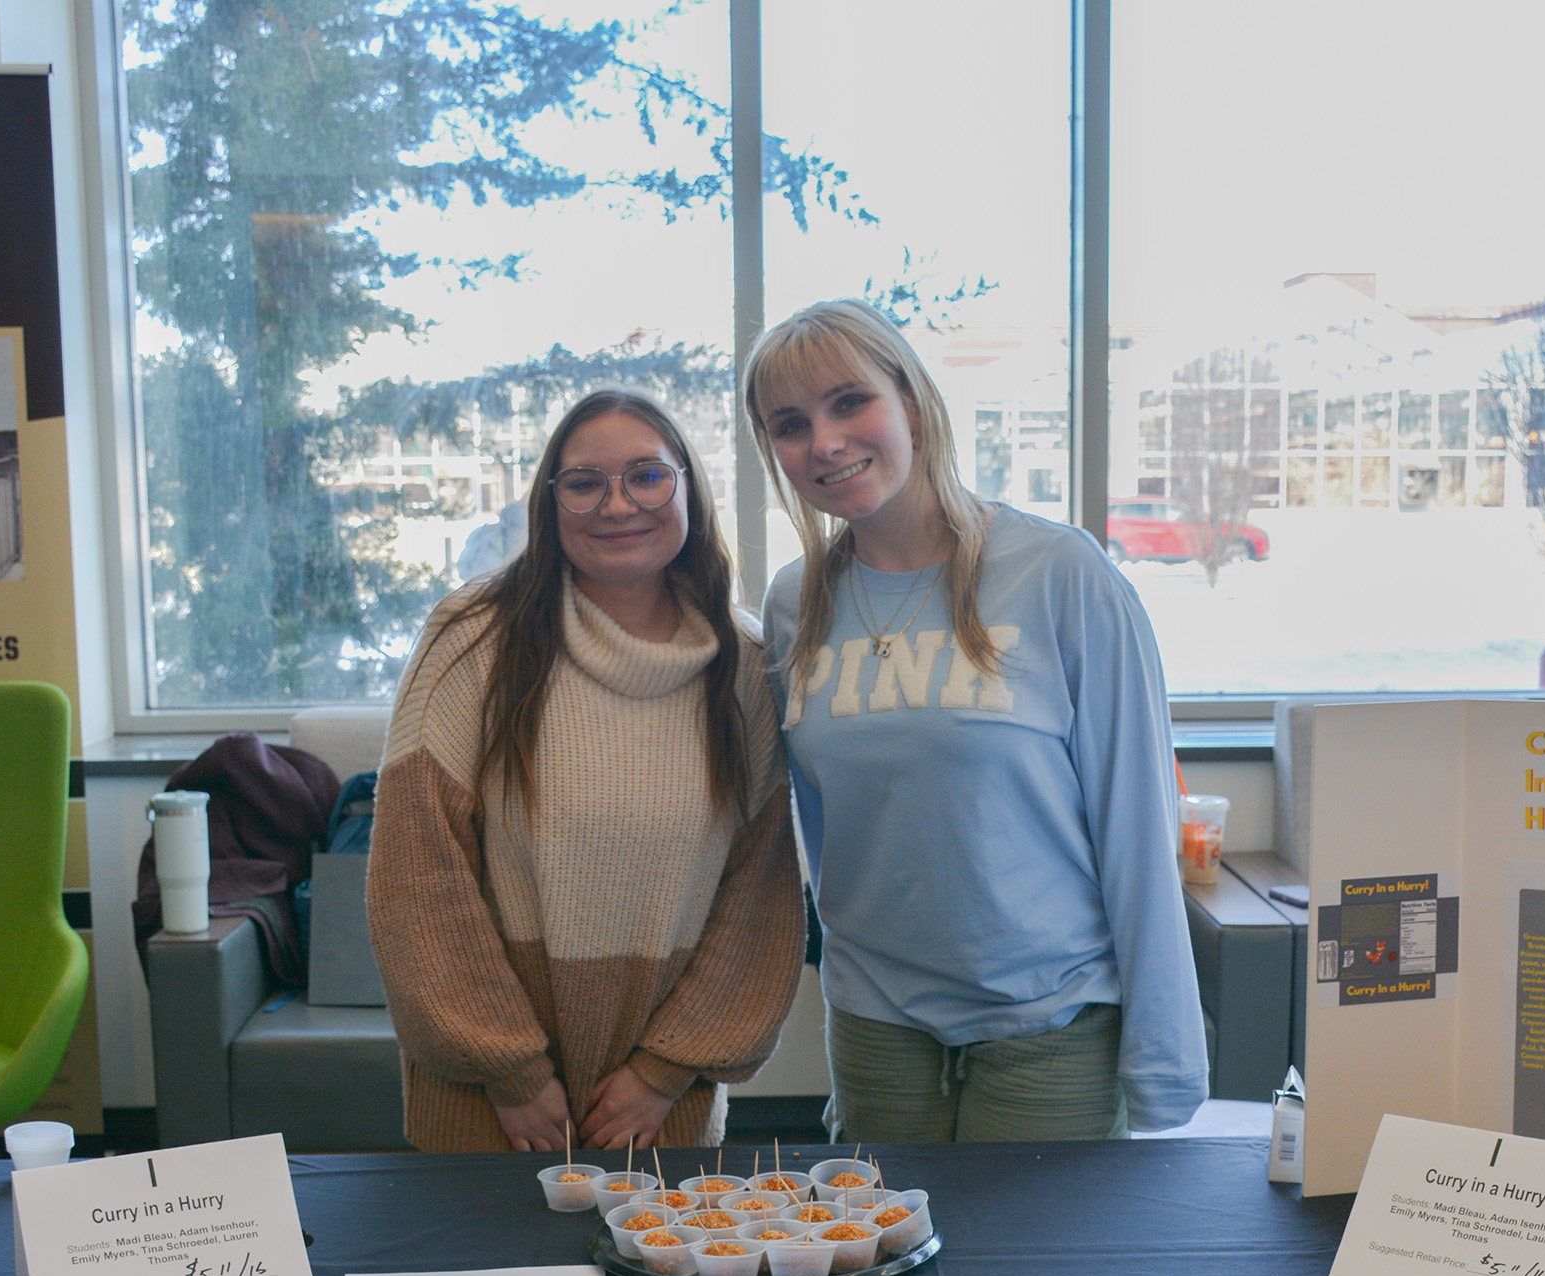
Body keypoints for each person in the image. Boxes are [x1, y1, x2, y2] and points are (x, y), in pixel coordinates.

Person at [744, 299, 1204, 1142]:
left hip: (1051, 1024)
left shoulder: (1060, 574)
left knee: (1034, 1275)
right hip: (877, 1024)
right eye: (791, 424)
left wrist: (1166, 1064)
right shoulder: (792, 602)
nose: (826, 442)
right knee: (880, 1273)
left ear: (912, 402)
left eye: (851, 401)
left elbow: (1137, 826)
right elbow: (822, 830)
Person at [368, 389, 804, 1152]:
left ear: (689, 490)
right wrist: (510, 1068)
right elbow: (416, 872)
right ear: (550, 502)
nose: (617, 504)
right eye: (583, 482)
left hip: (659, 1111)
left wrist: (665, 1070)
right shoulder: (472, 640)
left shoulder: (746, 665)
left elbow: (759, 902)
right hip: (490, 1108)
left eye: (646, 476)